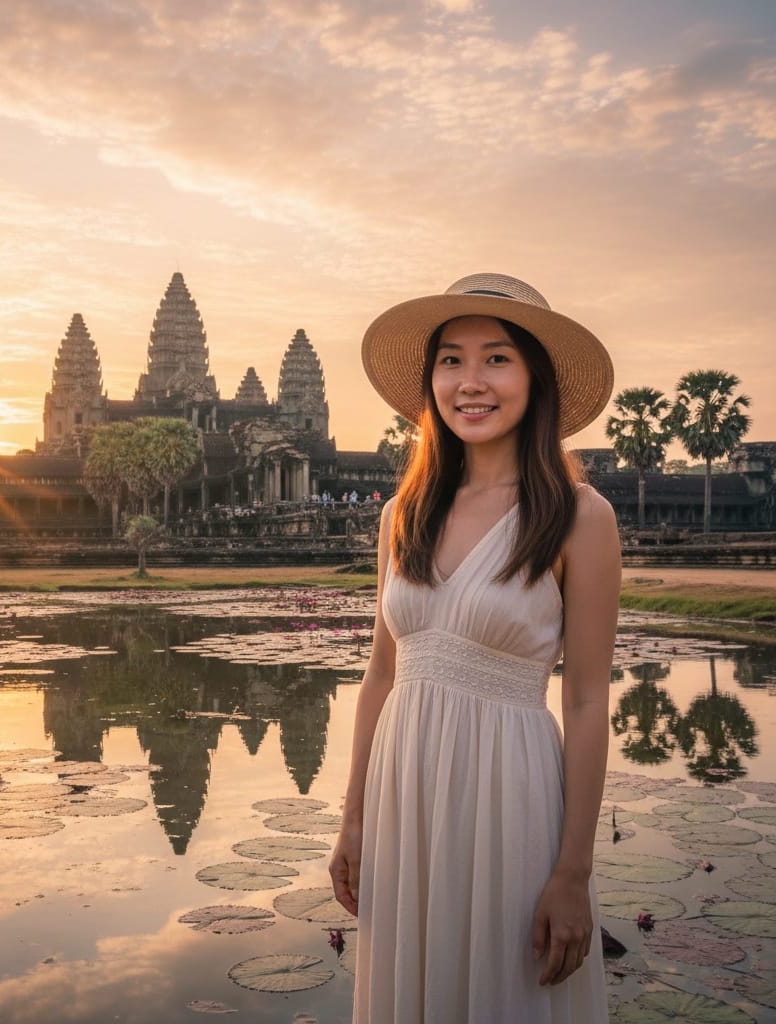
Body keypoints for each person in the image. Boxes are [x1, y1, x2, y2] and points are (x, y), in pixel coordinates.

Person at [329, 273, 620, 1023]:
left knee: (505, 992)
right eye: (451, 360)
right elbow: (383, 673)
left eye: (497, 358)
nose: (471, 382)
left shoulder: (579, 516)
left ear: (536, 379)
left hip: (513, 793)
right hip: (405, 799)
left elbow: (587, 699)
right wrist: (353, 817)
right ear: (430, 383)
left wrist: (573, 870)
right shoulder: (403, 514)